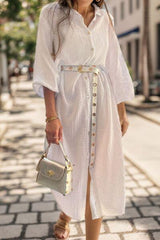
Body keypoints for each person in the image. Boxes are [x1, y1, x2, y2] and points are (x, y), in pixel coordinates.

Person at [32, 0, 135, 239]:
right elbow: (46, 66)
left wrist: (122, 110)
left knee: (96, 174)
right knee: (71, 164)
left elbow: (114, 65)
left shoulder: (103, 18)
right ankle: (65, 215)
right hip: (69, 101)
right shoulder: (52, 14)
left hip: (103, 100)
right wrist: (51, 116)